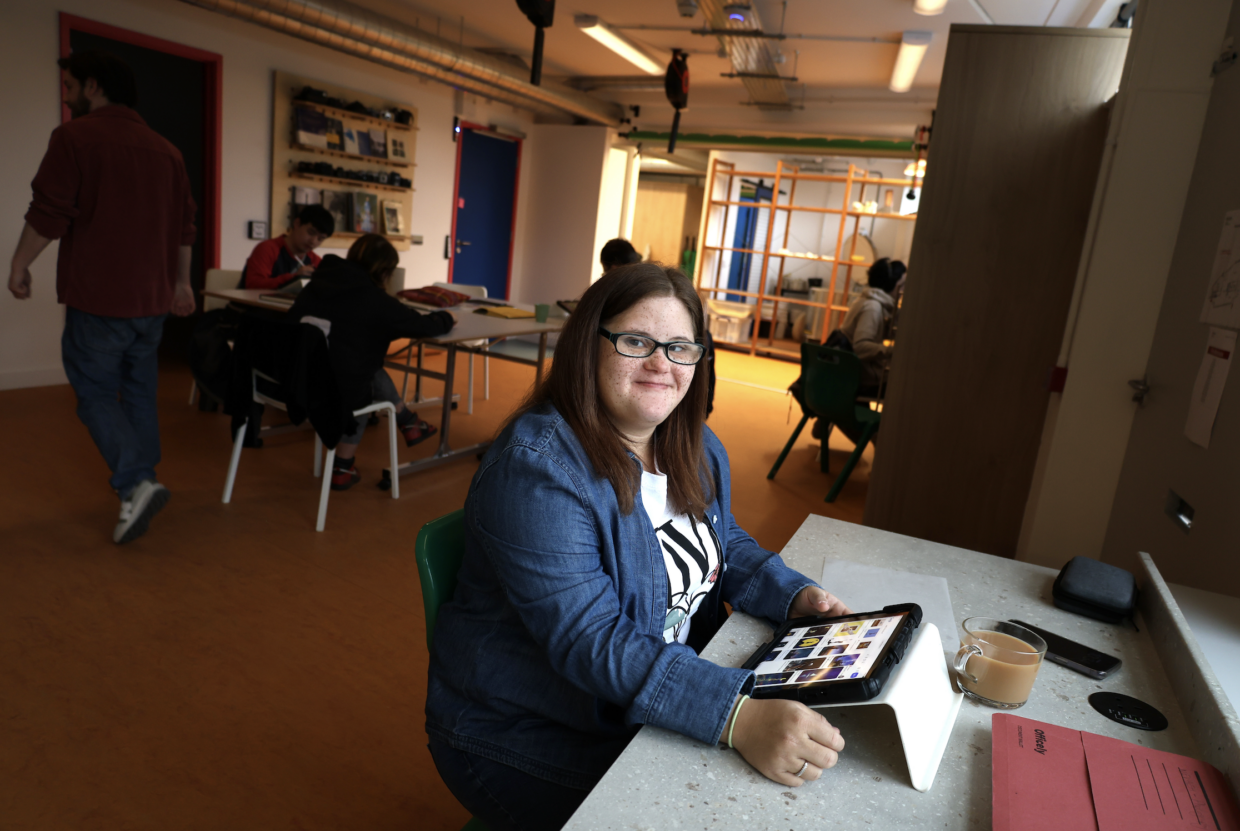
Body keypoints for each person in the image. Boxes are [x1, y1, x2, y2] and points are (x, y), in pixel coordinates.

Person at [426, 263, 851, 831]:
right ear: (588, 346)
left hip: (639, 701)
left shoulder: (694, 443)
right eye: (635, 341)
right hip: (529, 731)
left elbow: (719, 538)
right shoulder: (536, 470)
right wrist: (736, 717)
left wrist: (792, 595)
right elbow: (589, 638)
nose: (661, 364)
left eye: (680, 347)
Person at [8, 50, 197, 544]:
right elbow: (185, 228)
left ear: (93, 86)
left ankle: (135, 483)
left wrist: (19, 263)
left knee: (94, 392)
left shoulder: (75, 138)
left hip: (101, 299)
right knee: (137, 390)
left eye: (69, 86)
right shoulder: (169, 152)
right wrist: (181, 284)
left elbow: (50, 211)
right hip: (153, 301)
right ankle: (142, 479)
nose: (66, 97)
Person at [288, 234, 455, 490]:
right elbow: (423, 325)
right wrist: (446, 317)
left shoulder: (316, 285)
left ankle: (408, 420)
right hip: (335, 390)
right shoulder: (375, 301)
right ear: (384, 271)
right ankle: (343, 466)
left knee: (359, 362)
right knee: (360, 376)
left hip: (296, 377)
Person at [837, 257, 905, 398]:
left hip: (848, 372)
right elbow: (861, 346)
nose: (904, 290)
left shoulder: (868, 300)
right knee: (905, 386)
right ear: (892, 285)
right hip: (859, 377)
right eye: (903, 284)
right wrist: (893, 351)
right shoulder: (873, 308)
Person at [239, 204, 334, 290]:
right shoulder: (268, 249)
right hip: (250, 307)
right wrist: (294, 278)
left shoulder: (315, 261)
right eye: (311, 232)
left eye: (320, 239)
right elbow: (253, 285)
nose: (313, 241)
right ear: (297, 224)